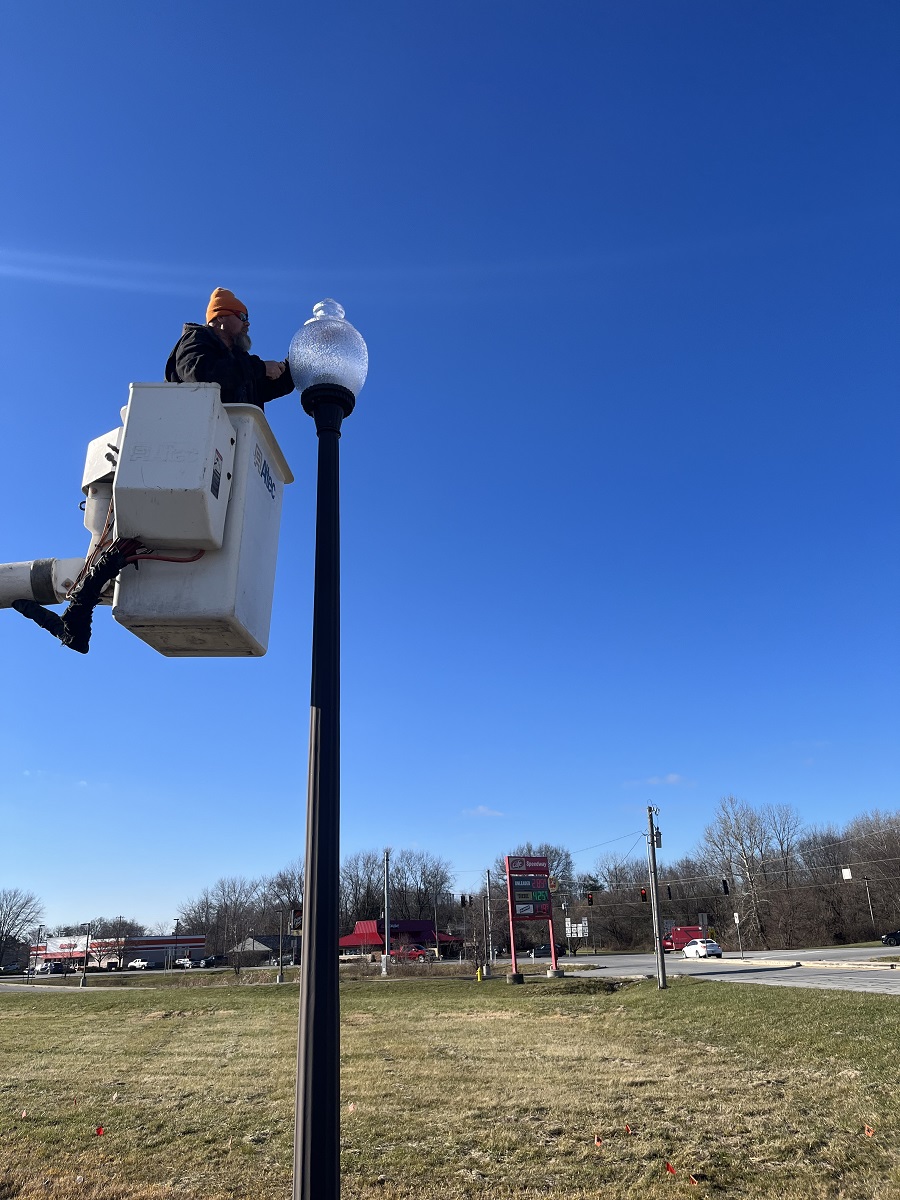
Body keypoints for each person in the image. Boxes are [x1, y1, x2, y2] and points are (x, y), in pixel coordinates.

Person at [165, 288, 295, 410]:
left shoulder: (241, 362)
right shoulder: (196, 339)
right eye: (242, 317)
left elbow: (273, 385)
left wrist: (297, 357)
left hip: (231, 427)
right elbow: (200, 372)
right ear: (221, 317)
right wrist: (260, 368)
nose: (247, 323)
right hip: (195, 424)